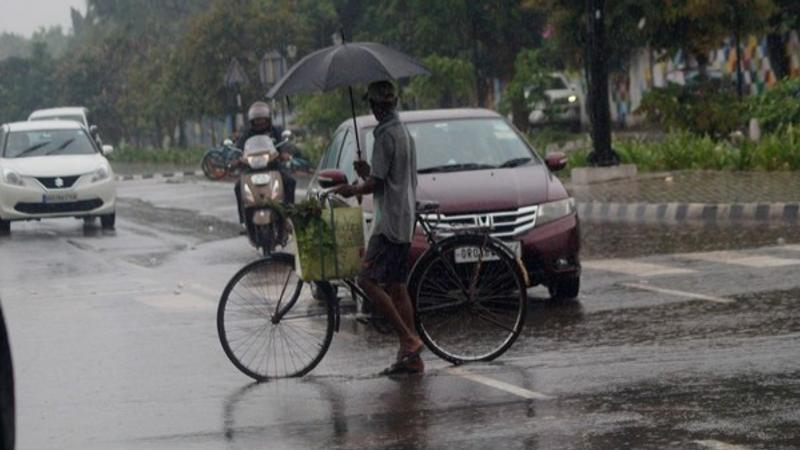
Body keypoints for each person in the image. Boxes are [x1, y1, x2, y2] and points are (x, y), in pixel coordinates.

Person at [333, 81, 424, 375]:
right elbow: (387, 174)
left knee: (366, 280)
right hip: (403, 216)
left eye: (373, 105)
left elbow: (379, 183)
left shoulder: (385, 135)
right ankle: (412, 360)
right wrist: (367, 173)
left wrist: (354, 188)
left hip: (389, 223)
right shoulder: (402, 132)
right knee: (397, 287)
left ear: (376, 106)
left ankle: (408, 340)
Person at [233, 101, 296, 227]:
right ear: (252, 121)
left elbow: (284, 145)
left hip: (273, 165)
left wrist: (284, 153)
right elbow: (238, 148)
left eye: (262, 119)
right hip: (251, 167)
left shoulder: (275, 131)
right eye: (257, 120)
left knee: (290, 181)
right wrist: (236, 159)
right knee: (237, 186)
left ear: (268, 119)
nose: (260, 122)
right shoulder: (247, 134)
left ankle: (289, 214)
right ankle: (243, 220)